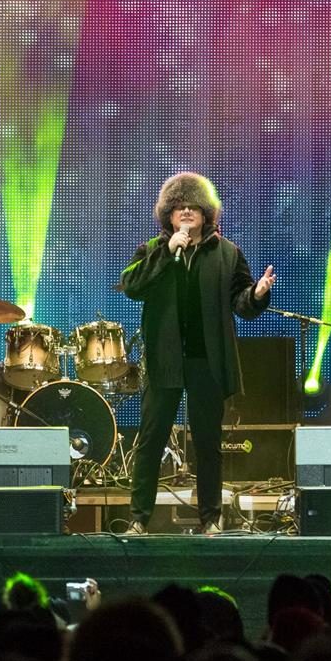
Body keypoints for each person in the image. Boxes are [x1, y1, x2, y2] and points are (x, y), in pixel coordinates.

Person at [120, 172, 275, 535]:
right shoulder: (153, 250)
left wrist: (257, 294)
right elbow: (131, 286)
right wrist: (166, 252)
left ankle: (211, 518)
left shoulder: (228, 253)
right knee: (151, 439)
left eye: (194, 207)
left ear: (206, 214)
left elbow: (241, 303)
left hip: (207, 360)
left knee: (208, 443)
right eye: (180, 207)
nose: (187, 212)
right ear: (169, 216)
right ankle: (139, 519)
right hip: (165, 359)